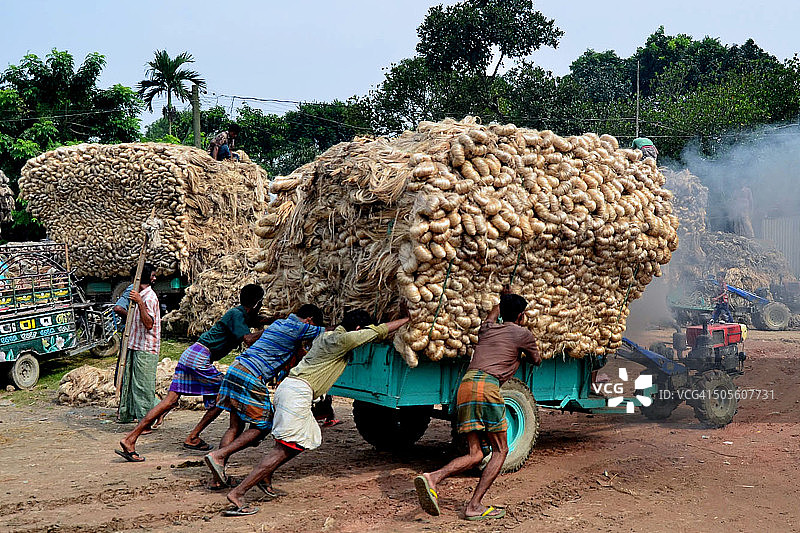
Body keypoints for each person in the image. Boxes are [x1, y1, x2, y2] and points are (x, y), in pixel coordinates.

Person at [221, 309, 410, 517]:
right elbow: (378, 331)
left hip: (292, 389)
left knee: (300, 442)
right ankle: (238, 493)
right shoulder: (342, 339)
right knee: (284, 449)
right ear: (357, 329)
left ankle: (265, 476)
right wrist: (408, 319)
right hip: (297, 393)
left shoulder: (328, 335)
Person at [415, 291, 541, 521]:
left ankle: (433, 477)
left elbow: (490, 317)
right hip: (487, 388)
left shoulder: (487, 329)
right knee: (500, 451)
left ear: (502, 311)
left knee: (476, 454)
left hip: (466, 386)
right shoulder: (522, 334)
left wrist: (501, 302)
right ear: (521, 316)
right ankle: (474, 505)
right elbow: (537, 360)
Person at [115, 284, 266, 462]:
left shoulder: (241, 315)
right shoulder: (237, 315)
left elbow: (257, 321)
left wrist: (275, 320)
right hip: (200, 357)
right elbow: (248, 339)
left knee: (170, 401)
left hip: (191, 354)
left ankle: (130, 439)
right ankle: (193, 436)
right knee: (224, 396)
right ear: (257, 304)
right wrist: (270, 331)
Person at [203, 304, 326, 489]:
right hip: (252, 375)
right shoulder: (301, 327)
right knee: (263, 426)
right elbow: (331, 331)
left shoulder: (279, 324)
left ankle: (216, 478)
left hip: (236, 368)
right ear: (309, 320)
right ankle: (218, 456)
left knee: (235, 426)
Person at [117, 263, 161, 424]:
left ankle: (147, 420)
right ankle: (132, 413)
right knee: (131, 384)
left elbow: (149, 324)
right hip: (135, 344)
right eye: (153, 275)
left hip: (146, 347)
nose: (155, 278)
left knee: (143, 387)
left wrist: (140, 304)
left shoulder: (149, 297)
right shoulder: (137, 294)